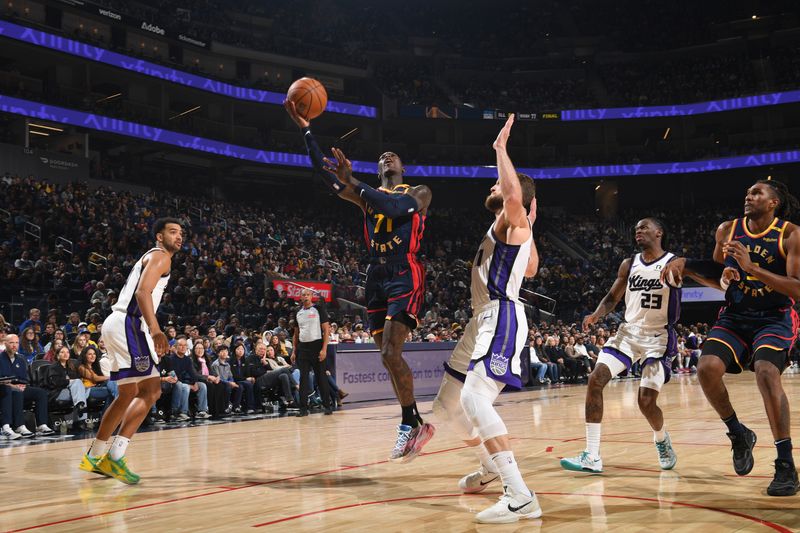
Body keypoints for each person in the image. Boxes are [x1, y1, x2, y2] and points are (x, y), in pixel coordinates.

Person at [287, 99, 435, 461]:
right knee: (387, 358)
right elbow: (326, 177)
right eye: (382, 156)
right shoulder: (366, 196)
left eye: (392, 156)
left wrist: (351, 180)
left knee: (390, 351)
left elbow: (392, 209)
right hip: (375, 274)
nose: (387, 157)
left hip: (404, 270)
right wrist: (306, 130)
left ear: (401, 167)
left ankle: (407, 423)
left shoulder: (418, 193)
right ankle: (414, 420)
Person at [431, 114, 541, 523]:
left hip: (501, 314)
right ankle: (494, 470)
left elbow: (514, 196)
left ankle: (520, 494)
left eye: (497, 182)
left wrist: (500, 149)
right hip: (484, 318)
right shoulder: (511, 228)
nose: (492, 186)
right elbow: (530, 268)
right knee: (455, 401)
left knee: (475, 398)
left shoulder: (513, 221)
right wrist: (530, 219)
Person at [661, 179, 800, 496]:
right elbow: (720, 277)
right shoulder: (727, 230)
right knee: (706, 368)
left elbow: (796, 287)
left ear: (774, 202)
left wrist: (752, 268)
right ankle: (738, 433)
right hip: (736, 315)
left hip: (775, 317)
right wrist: (686, 266)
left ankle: (785, 462)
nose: (748, 196)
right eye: (748, 191)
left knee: (766, 371)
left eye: (757, 193)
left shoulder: (790, 235)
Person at [560, 217, 680, 475]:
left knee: (646, 402)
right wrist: (596, 314)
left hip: (658, 337)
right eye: (636, 227)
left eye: (644, 227)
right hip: (628, 333)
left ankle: (661, 439)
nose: (638, 231)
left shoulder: (673, 263)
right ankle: (592, 455)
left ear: (659, 232)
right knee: (595, 379)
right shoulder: (629, 264)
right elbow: (613, 297)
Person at [79, 218, 182, 484]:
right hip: (130, 323)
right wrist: (156, 329)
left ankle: (96, 456)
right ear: (159, 237)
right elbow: (142, 293)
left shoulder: (150, 257)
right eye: (173, 232)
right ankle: (114, 458)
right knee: (152, 390)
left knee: (127, 393)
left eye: (181, 233)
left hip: (115, 324)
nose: (179, 236)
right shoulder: (161, 257)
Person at [0, 334, 55, 439]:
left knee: (40, 393)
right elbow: (2, 380)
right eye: (11, 343)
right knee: (12, 390)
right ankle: (10, 427)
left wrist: (22, 385)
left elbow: (23, 378)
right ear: (5, 343)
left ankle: (41, 425)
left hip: (18, 388)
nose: (14, 345)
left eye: (16, 343)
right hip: (3, 389)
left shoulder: (20, 360)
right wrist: (13, 386)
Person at [292, 289, 332, 416]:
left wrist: (324, 349)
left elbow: (326, 330)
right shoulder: (297, 312)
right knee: (303, 378)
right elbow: (296, 333)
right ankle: (303, 409)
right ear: (300, 297)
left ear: (312, 297)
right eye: (303, 295)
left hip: (317, 346)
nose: (306, 297)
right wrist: (294, 351)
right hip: (303, 348)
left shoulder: (319, 309)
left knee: (321, 377)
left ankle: (327, 406)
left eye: (308, 294)